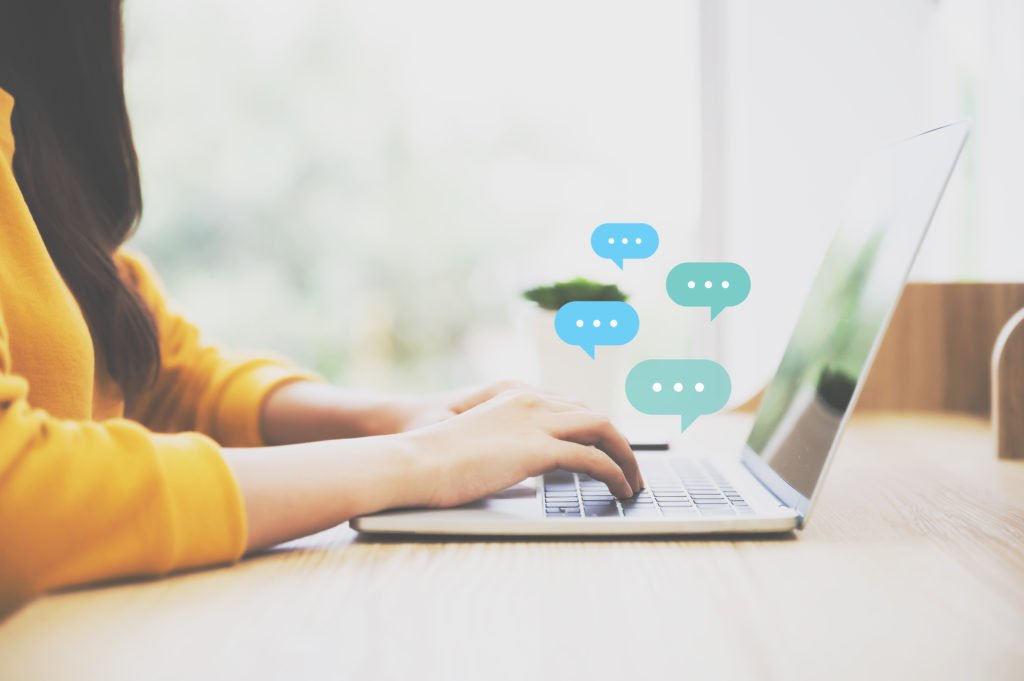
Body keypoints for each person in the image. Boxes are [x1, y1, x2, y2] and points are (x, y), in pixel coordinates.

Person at [0, 1, 641, 612]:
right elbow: (15, 496)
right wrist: (425, 462)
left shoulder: (30, 134)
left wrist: (397, 418)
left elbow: (162, 379)